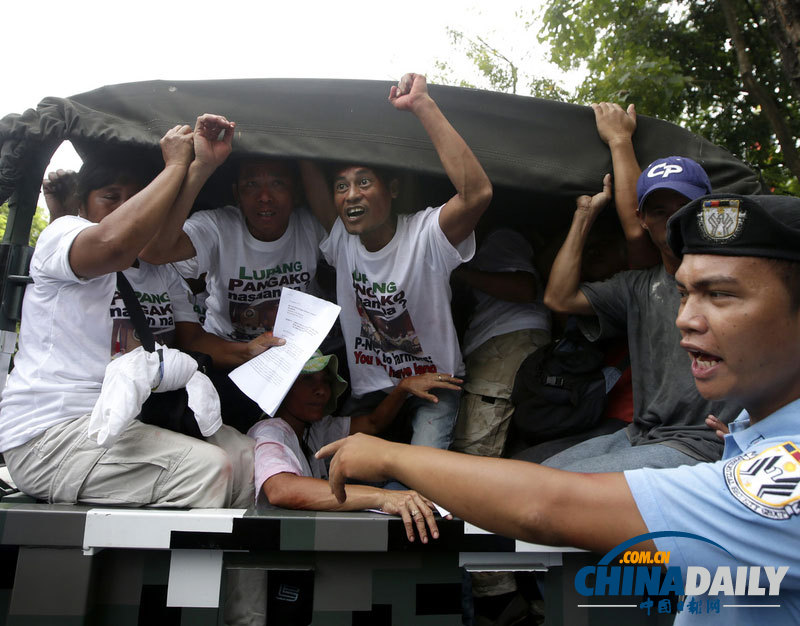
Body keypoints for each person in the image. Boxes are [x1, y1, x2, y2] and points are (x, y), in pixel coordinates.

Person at [318, 193, 800, 623]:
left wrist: (389, 455)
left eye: (720, 294)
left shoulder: (783, 484)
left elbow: (543, 505)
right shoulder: (750, 431)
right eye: (683, 293)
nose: (685, 320)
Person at [0, 120, 266, 509]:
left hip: (130, 420)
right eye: (111, 197)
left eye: (137, 197)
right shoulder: (63, 237)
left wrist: (198, 168)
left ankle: (240, 565)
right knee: (209, 468)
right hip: (53, 433)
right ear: (81, 206)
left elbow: (190, 338)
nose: (126, 208)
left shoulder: (159, 271)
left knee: (251, 459)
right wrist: (174, 166)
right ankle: (171, 569)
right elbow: (113, 245)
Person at [303, 73, 493, 450]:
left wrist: (422, 105)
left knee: (421, 470)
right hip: (372, 390)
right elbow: (306, 164)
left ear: (391, 189)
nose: (350, 195)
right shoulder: (342, 237)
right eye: (341, 186)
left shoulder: (426, 236)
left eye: (363, 182)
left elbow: (477, 194)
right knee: (343, 470)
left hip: (435, 385)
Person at [542, 153, 740, 471]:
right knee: (535, 475)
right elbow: (559, 298)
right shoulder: (637, 286)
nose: (673, 220)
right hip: (642, 434)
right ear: (643, 218)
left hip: (701, 443)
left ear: (707, 209)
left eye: (685, 207)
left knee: (547, 490)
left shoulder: (738, 276)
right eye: (660, 211)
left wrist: (761, 435)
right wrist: (584, 215)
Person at [139, 121, 327, 432]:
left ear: (295, 193)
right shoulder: (218, 226)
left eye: (277, 184)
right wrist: (202, 166)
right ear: (237, 194)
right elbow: (154, 251)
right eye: (252, 185)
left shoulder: (310, 226)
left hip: (298, 363)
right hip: (229, 357)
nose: (265, 197)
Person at [248, 351, 459, 543]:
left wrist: (403, 388)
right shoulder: (271, 430)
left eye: (326, 381)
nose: (321, 390)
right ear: (283, 386)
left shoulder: (316, 429)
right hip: (272, 544)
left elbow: (373, 423)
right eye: (308, 379)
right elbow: (280, 489)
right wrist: (382, 498)